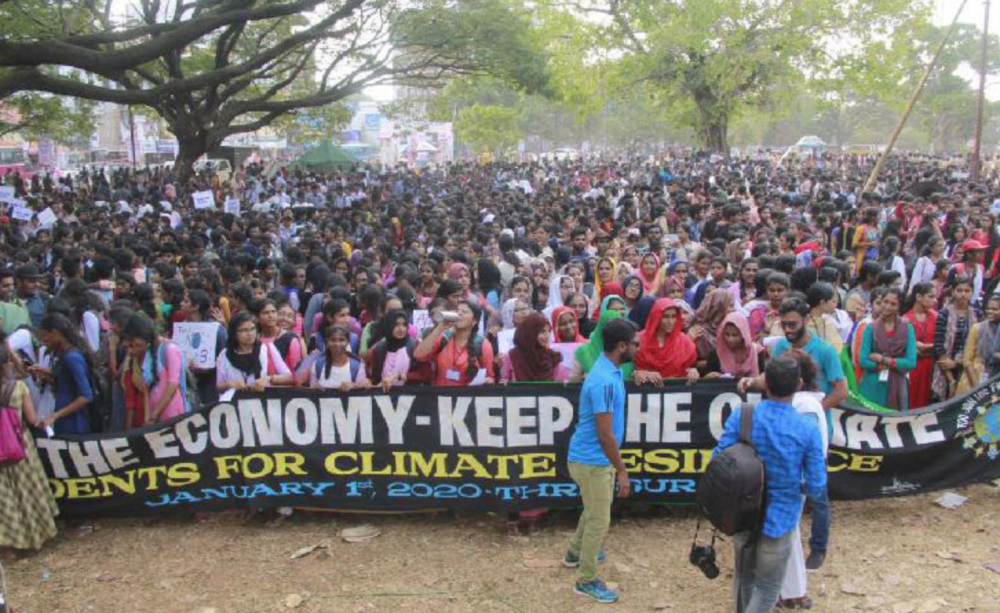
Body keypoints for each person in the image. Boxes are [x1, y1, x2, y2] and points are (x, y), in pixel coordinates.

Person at [716, 356, 828, 613]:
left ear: (765, 383)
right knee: (767, 590)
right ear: (799, 384)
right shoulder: (806, 428)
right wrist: (820, 537)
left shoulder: (743, 415)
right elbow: (816, 485)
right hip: (780, 519)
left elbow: (718, 460)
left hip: (743, 513)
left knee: (745, 580)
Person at [563, 318, 636, 604]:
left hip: (591, 459)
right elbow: (605, 435)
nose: (637, 347)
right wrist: (622, 471)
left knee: (593, 510)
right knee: (599, 520)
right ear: (621, 346)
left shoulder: (610, 370)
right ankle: (586, 579)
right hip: (592, 461)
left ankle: (574, 553)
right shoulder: (604, 380)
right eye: (634, 343)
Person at [778, 352, 831, 609]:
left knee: (785, 533)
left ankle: (791, 592)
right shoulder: (804, 402)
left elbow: (806, 446)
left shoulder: (804, 406)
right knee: (789, 532)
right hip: (796, 478)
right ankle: (794, 590)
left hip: (793, 478)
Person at [0, 347, 59, 553]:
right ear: (6, 364)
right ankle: (36, 535)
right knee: (27, 490)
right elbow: (33, 419)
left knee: (6, 497)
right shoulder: (18, 388)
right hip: (20, 444)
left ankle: (10, 543)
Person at [742, 297, 847, 411]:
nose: (787, 330)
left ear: (806, 320)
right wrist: (751, 382)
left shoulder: (825, 350)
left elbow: (841, 391)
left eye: (792, 325)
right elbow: (768, 376)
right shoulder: (782, 345)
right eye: (783, 325)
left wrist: (815, 411)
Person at [119, 314, 187, 425]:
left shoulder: (169, 349)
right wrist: (148, 418)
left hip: (172, 414)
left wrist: (155, 414)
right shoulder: (149, 353)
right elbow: (146, 390)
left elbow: (172, 384)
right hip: (155, 416)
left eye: (134, 343)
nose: (132, 348)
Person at [34, 313, 95, 434]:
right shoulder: (63, 354)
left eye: (45, 336)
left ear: (55, 333)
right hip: (65, 420)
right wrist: (48, 375)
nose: (44, 341)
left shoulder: (72, 357)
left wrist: (55, 416)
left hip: (74, 423)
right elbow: (66, 383)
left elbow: (86, 396)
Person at [858, 287, 917, 410]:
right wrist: (885, 365)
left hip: (898, 384)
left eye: (893, 304)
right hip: (872, 383)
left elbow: (911, 362)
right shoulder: (870, 328)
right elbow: (863, 360)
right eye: (885, 302)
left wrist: (884, 359)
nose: (887, 307)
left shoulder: (907, 328)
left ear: (899, 307)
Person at [414, 300, 495, 386]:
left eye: (464, 312)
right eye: (457, 311)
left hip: (466, 397)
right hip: (441, 395)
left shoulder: (483, 345)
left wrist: (487, 381)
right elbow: (419, 356)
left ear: (474, 321)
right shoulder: (444, 338)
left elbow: (490, 377)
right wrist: (439, 329)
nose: (459, 314)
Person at [216, 312, 294, 396]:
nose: (250, 334)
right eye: (244, 330)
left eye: (252, 329)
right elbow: (219, 386)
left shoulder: (267, 348)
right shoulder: (225, 355)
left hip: (261, 403)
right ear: (234, 334)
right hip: (234, 404)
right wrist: (229, 384)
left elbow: (289, 377)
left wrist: (269, 379)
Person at [933, 275, 978, 400]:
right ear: (952, 292)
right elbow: (938, 344)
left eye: (967, 291)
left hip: (967, 366)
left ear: (972, 293)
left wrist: (957, 363)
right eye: (959, 290)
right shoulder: (944, 313)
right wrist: (950, 378)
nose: (963, 294)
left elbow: (976, 345)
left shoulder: (977, 314)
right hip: (944, 369)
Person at [633, 298, 698, 384]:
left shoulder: (684, 342)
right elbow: (628, 370)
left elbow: (688, 368)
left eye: (674, 316)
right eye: (665, 316)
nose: (670, 321)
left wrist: (693, 371)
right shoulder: (639, 339)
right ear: (656, 316)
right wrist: (643, 373)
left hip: (677, 393)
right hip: (646, 392)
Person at [500, 312, 569, 383]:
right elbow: (504, 382)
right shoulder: (511, 357)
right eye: (542, 331)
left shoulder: (552, 357)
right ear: (530, 333)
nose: (547, 335)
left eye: (549, 331)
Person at [904, 282, 939, 409]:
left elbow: (942, 342)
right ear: (918, 297)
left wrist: (927, 347)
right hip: (912, 367)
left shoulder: (936, 317)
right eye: (931, 296)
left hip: (932, 366)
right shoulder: (905, 319)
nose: (935, 300)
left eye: (935, 297)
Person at [309, 325, 370, 391]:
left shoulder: (357, 365)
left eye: (341, 340)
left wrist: (353, 386)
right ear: (326, 342)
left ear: (347, 342)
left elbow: (361, 390)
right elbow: (312, 390)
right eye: (333, 340)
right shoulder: (317, 365)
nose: (337, 344)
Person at [960, 294, 1000, 394]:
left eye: (995, 309)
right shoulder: (977, 328)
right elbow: (967, 360)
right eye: (988, 308)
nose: (990, 312)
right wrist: (977, 388)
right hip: (976, 375)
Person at [703, 312, 763, 379]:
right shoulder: (716, 354)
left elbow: (764, 379)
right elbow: (707, 382)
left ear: (743, 335)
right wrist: (710, 377)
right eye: (727, 334)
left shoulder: (756, 353)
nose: (730, 339)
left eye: (735, 335)